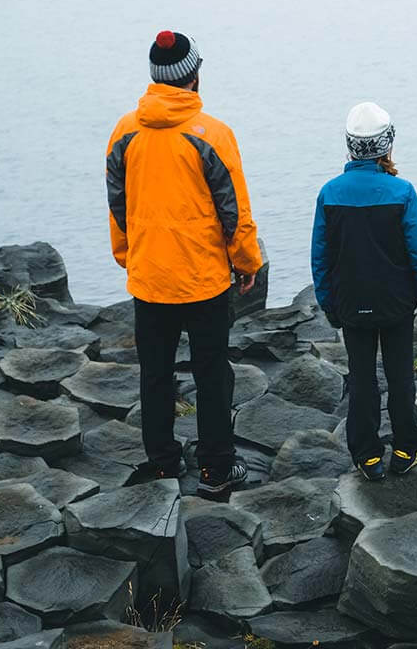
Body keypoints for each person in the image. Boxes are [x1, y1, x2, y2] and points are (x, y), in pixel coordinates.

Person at [106, 30, 261, 499]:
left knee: (155, 374)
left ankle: (162, 465)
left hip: (150, 277)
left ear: (156, 78)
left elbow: (118, 204)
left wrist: (128, 256)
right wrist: (246, 261)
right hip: (204, 279)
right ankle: (216, 469)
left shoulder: (124, 131)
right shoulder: (211, 134)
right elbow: (234, 210)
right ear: (194, 77)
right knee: (213, 372)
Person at [311, 102, 417, 481]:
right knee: (401, 375)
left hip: (351, 305)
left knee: (362, 376)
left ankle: (367, 455)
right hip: (397, 304)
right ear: (387, 146)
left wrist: (328, 303)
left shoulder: (329, 193)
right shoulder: (402, 191)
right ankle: (406, 447)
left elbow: (321, 256)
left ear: (350, 147)